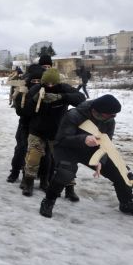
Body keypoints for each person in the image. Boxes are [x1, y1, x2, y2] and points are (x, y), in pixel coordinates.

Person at [40, 94, 133, 219]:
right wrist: (84, 139)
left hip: (90, 151)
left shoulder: (109, 121)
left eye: (114, 115)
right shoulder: (74, 115)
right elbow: (61, 140)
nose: (112, 118)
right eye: (109, 115)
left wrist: (100, 159)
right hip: (67, 148)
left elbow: (106, 143)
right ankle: (48, 201)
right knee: (65, 173)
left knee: (122, 172)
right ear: (96, 111)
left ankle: (126, 203)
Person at [20, 68, 85, 197]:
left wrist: (62, 97)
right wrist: (34, 100)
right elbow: (25, 111)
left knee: (64, 161)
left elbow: (81, 99)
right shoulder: (36, 89)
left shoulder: (64, 88)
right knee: (33, 157)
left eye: (53, 83)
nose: (50, 86)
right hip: (37, 130)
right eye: (47, 83)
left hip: (58, 131)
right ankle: (28, 183)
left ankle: (69, 188)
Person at [7, 64, 44, 182]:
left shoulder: (46, 90)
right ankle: (15, 171)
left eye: (39, 81)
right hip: (25, 124)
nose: (36, 83)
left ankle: (29, 176)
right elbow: (20, 111)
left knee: (37, 152)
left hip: (40, 126)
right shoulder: (23, 91)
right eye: (34, 80)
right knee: (21, 149)